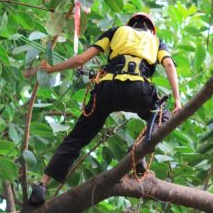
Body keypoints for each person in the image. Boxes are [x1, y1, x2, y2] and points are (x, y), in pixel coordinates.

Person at [28, 12, 181, 206]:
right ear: (150, 28)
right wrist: (177, 99)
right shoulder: (155, 40)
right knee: (163, 117)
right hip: (139, 90)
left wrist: (51, 68)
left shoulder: (116, 32)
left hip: (107, 90)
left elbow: (81, 60)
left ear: (131, 24)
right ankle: (138, 151)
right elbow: (168, 63)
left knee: (76, 138)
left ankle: (42, 185)